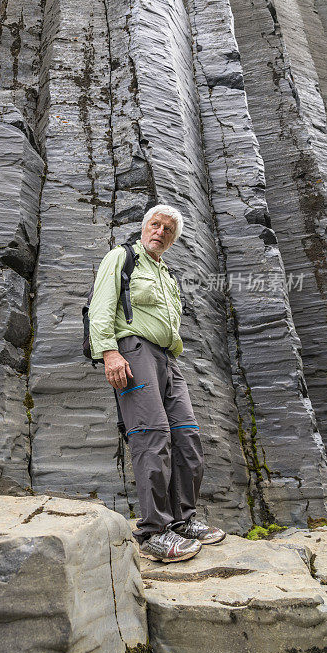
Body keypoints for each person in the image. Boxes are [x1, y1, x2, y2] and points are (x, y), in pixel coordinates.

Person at [88, 204, 226, 562]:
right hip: (133, 351)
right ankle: (153, 532)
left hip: (168, 358)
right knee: (152, 435)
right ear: (144, 226)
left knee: (186, 435)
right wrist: (109, 352)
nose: (160, 231)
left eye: (168, 229)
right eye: (156, 224)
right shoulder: (122, 257)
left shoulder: (167, 274)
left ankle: (183, 521)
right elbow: (101, 305)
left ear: (173, 239)